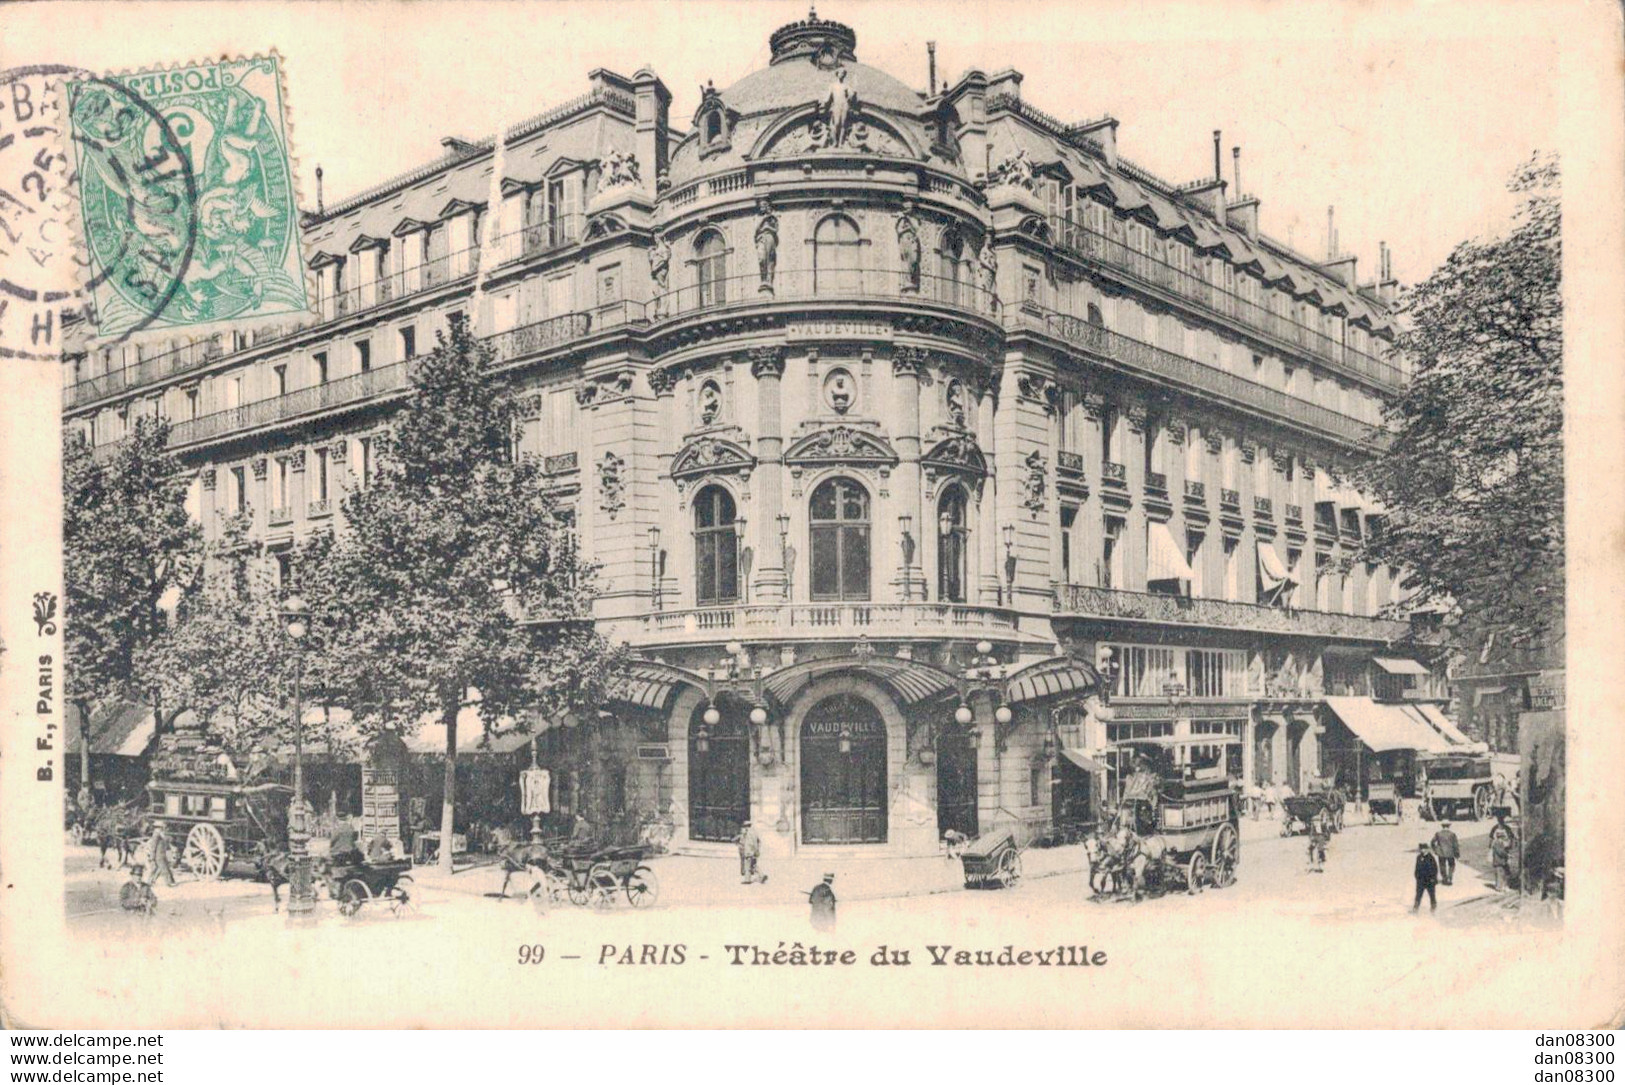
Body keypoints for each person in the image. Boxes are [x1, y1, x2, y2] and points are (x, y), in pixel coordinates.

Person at [1490, 817, 1516, 891]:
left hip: (1504, 852)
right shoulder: (1497, 829)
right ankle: (1500, 886)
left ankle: (1503, 885)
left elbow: (1511, 838)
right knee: (1501, 870)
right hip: (1501, 854)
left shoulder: (1503, 829)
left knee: (1504, 870)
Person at [1430, 822, 1460, 886]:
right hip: (1450, 853)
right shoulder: (1452, 834)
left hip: (1441, 853)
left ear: (1442, 826)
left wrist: (1435, 850)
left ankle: (1444, 878)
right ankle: (1449, 878)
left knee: (1442, 866)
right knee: (1451, 865)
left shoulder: (1438, 834)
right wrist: (1457, 853)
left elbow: (1432, 842)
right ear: (1449, 826)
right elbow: (1455, 845)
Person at [1412, 842, 1439, 913]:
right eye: (1421, 849)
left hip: (1429, 880)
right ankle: (1415, 909)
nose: (1422, 850)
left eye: (1424, 849)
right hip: (1421, 880)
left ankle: (1433, 908)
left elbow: (1435, 869)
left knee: (1431, 894)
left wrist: (1433, 878)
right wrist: (1417, 876)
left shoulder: (1431, 858)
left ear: (1427, 849)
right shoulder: (1418, 857)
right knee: (1418, 894)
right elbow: (1417, 868)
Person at [148, 822, 176, 888]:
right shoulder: (156, 835)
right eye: (161, 827)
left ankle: (151, 881)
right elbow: (153, 846)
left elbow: (167, 840)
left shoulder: (161, 834)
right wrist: (152, 857)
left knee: (157, 869)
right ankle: (168, 883)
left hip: (162, 854)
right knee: (164, 869)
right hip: (158, 856)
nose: (162, 828)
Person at [736, 820, 765, 885]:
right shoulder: (754, 832)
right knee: (753, 865)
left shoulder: (748, 833)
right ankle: (762, 875)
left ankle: (747, 880)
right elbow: (758, 842)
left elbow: (750, 843)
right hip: (753, 851)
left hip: (749, 851)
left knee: (747, 866)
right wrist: (757, 850)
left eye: (745, 826)